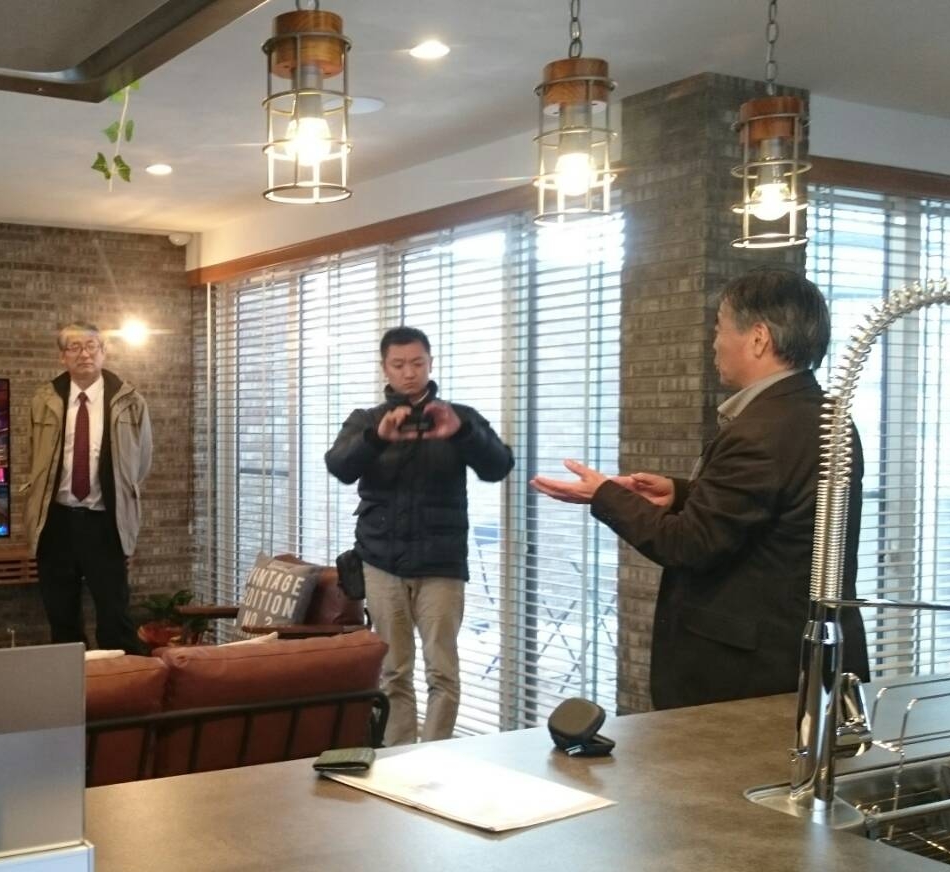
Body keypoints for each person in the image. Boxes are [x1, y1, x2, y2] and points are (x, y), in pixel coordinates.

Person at [532, 268, 867, 710]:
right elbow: (774, 512)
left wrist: (605, 496)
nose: (714, 343)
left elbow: (688, 545)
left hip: (750, 675)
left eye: (719, 328)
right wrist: (681, 493)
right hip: (794, 662)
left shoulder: (761, 431)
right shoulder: (824, 415)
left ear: (758, 338)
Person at [325, 327, 514, 743]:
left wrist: (461, 432)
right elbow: (339, 466)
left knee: (442, 670)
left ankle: (436, 754)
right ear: (385, 368)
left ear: (430, 363)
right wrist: (377, 438)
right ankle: (398, 756)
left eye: (417, 363)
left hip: (442, 563)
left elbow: (499, 466)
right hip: (381, 562)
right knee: (394, 670)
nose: (408, 373)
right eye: (398, 365)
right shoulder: (366, 420)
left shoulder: (457, 416)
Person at [21, 321, 153, 656]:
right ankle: (71, 685)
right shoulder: (44, 399)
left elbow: (142, 461)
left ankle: (120, 682)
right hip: (56, 522)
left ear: (103, 352)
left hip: (105, 522)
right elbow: (34, 453)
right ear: (62, 356)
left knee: (114, 615)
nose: (85, 354)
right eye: (75, 347)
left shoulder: (129, 401)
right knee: (61, 617)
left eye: (92, 346)